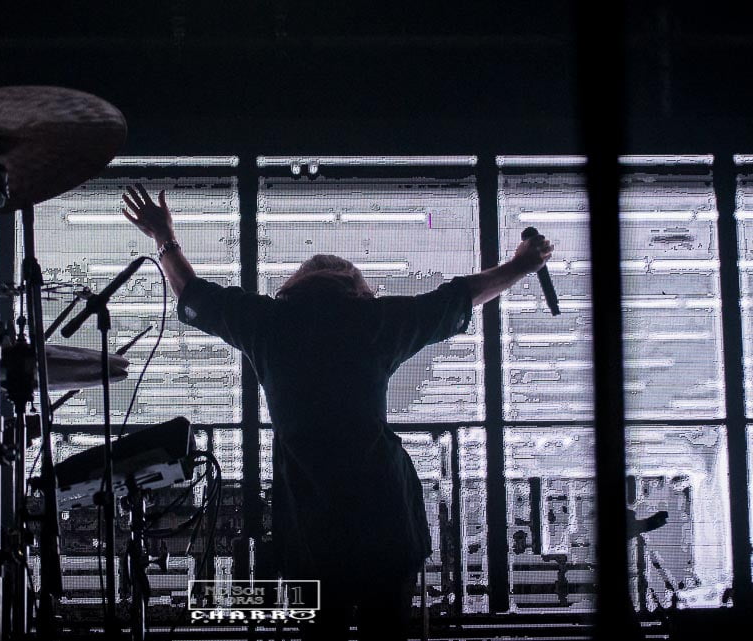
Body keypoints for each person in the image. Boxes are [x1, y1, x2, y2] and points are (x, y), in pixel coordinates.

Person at [122, 183, 553, 641]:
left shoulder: (268, 324)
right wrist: (521, 264)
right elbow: (457, 299)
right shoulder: (374, 322)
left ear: (294, 287)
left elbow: (193, 294)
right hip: (384, 516)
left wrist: (164, 237)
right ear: (356, 288)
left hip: (309, 524)